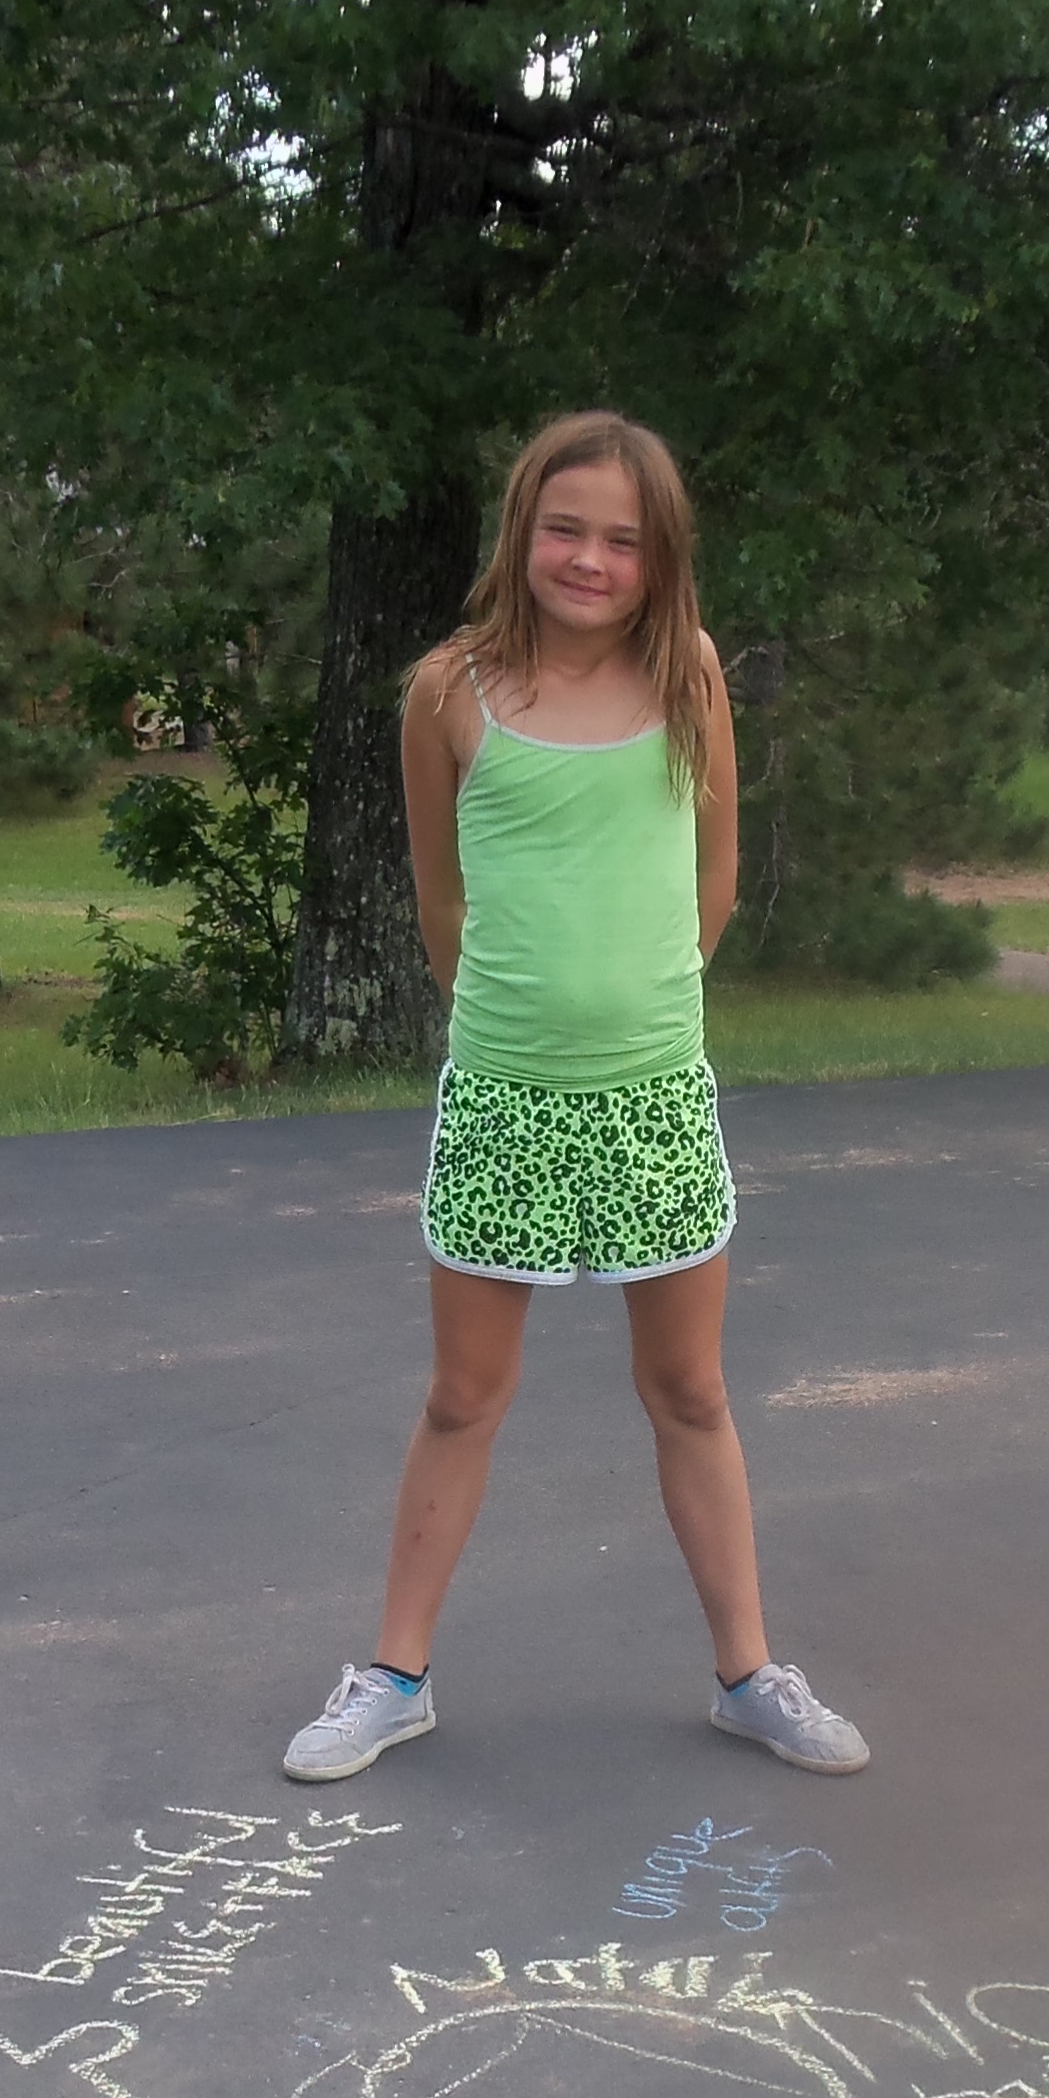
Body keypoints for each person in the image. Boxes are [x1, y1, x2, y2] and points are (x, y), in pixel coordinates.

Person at [282, 412, 868, 1785]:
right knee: (463, 1396)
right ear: (520, 533)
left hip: (655, 1100)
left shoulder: (689, 674)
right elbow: (442, 900)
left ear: (661, 557)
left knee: (692, 1390)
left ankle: (749, 1676)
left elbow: (713, 873)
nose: (590, 560)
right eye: (565, 530)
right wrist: (521, 1027)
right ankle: (393, 1679)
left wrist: (640, 1009)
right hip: (503, 1105)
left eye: (622, 540)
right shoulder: (449, 692)